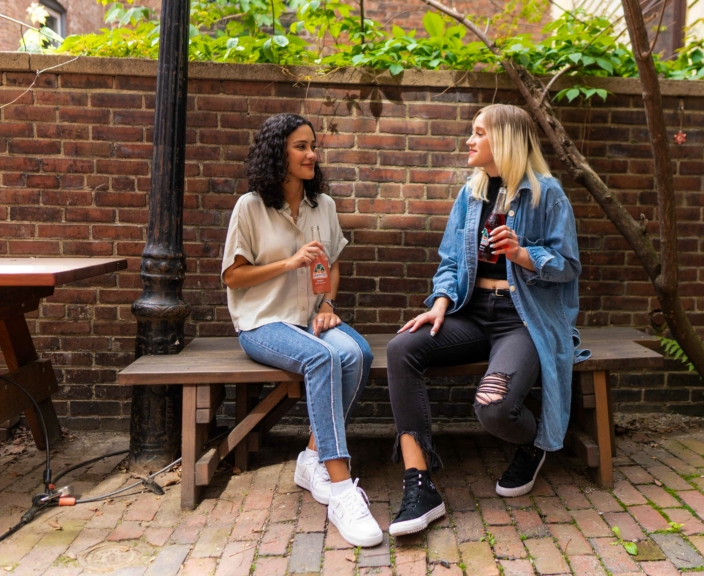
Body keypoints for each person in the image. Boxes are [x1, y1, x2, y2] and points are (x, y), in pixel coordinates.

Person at [385, 104, 590, 537]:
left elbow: (569, 265)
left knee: (493, 409)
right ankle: (419, 483)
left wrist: (522, 254)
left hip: (523, 319)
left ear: (506, 141)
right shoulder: (471, 193)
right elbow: (449, 260)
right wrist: (441, 299)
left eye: (479, 132)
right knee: (401, 348)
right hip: (472, 313)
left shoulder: (546, 194)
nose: (469, 140)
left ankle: (534, 442)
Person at [221, 113, 381, 547]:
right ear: (279, 153)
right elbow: (233, 277)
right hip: (263, 322)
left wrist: (328, 304)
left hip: (311, 319)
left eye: (313, 145)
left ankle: (311, 456)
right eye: (301, 146)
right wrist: (289, 263)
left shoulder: (323, 205)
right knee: (324, 356)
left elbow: (334, 264)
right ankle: (342, 486)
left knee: (358, 353)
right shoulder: (250, 207)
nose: (312, 154)